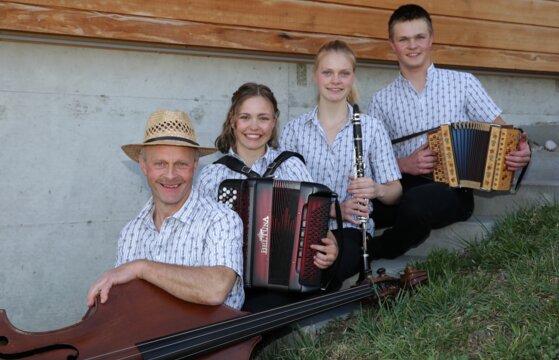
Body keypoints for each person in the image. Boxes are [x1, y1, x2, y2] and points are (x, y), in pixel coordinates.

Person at [367, 4, 532, 259]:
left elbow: (505, 133)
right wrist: (403, 163)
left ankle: (372, 251)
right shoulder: (381, 100)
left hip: (453, 190)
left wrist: (521, 150)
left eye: (419, 37)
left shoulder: (463, 82)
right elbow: (372, 160)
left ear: (431, 39)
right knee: (360, 203)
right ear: (392, 44)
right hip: (402, 185)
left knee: (415, 205)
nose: (413, 46)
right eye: (404, 39)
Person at [195, 82, 339, 311]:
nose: (254, 126)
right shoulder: (213, 175)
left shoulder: (291, 165)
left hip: (286, 282)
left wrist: (330, 249)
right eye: (245, 117)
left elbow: (320, 230)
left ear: (274, 121)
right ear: (232, 120)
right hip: (230, 283)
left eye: (263, 118)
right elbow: (198, 238)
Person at [87, 110, 245, 310]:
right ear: (143, 166)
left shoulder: (222, 219)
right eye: (160, 164)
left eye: (181, 164)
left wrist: (141, 268)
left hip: (211, 341)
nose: (170, 175)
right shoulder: (131, 233)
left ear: (195, 165)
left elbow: (215, 289)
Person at [280, 40, 402, 286]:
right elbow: (284, 195)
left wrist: (377, 189)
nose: (335, 80)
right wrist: (336, 210)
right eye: (328, 72)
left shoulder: (371, 128)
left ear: (352, 77)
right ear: (316, 76)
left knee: (325, 265)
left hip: (353, 231)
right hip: (303, 228)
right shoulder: (293, 130)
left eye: (343, 73)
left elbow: (395, 192)